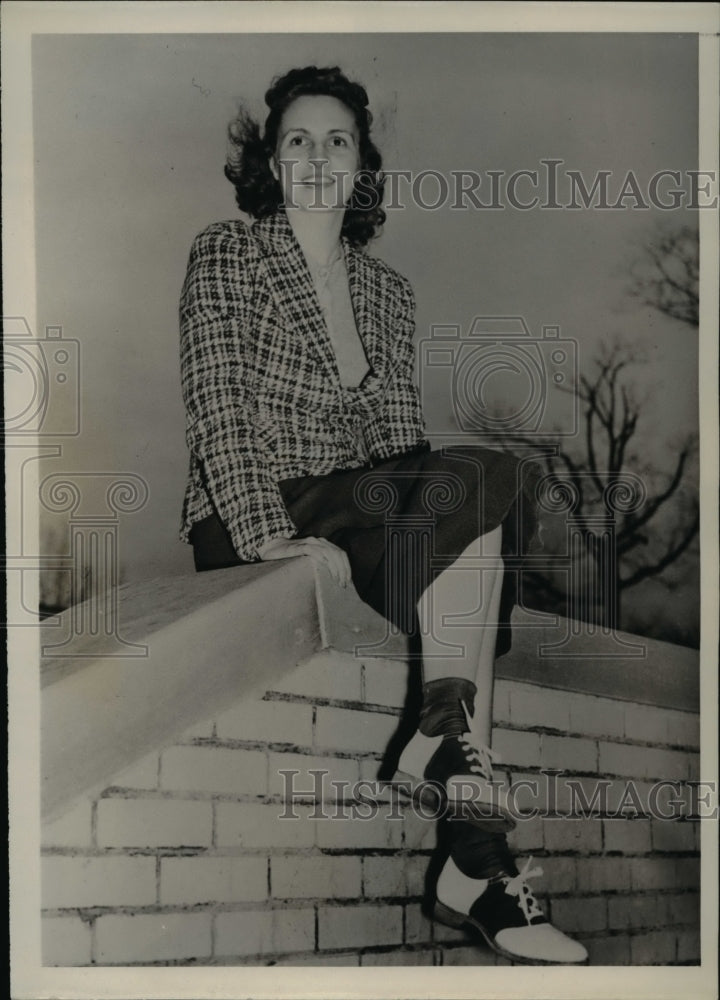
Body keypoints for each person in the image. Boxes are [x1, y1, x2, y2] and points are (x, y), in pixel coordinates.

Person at [179, 65, 587, 966]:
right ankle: (476, 868)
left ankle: (458, 804)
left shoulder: (389, 293)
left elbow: (404, 448)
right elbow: (217, 403)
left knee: (488, 481)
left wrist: (437, 516)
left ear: (363, 164)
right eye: (298, 139)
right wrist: (261, 533)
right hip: (261, 499)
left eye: (338, 140)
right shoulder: (227, 254)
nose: (318, 154)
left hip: (358, 512)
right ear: (271, 163)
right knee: (475, 518)